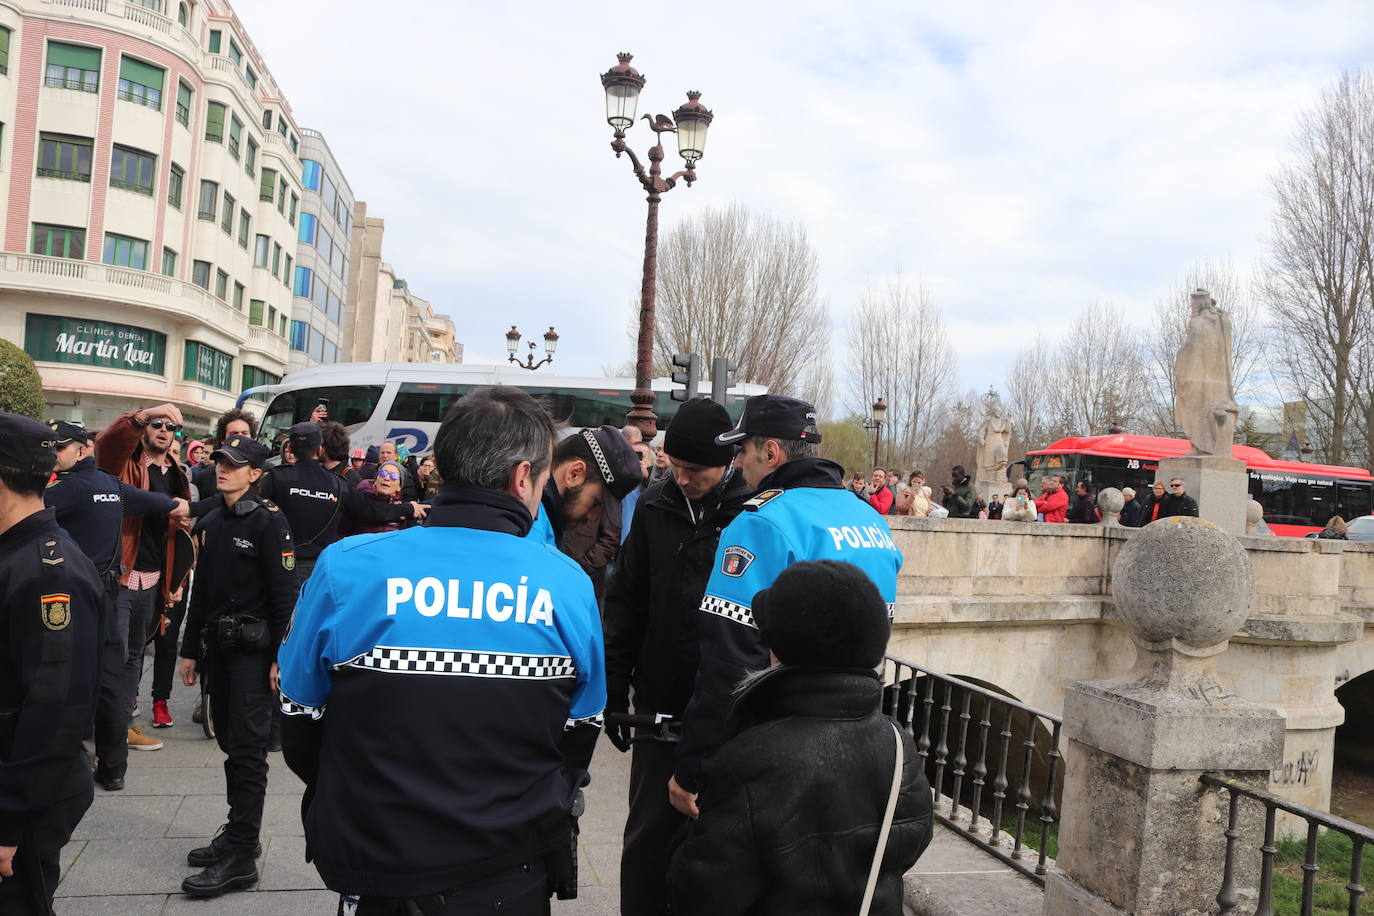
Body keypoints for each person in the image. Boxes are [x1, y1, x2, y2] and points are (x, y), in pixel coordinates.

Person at [278, 386, 606, 913]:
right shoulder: (566, 583)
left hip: (377, 859)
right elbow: (580, 731)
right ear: (524, 478)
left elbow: (298, 718)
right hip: (510, 864)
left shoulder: (347, 566)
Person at [670, 394, 903, 820]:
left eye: (742, 451)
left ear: (771, 452)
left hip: (777, 747)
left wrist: (695, 768)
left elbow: (729, 659)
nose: (738, 463)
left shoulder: (761, 521)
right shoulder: (869, 518)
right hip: (861, 738)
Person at [669, 561, 933, 914]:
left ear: (781, 649)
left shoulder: (750, 757)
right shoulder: (898, 744)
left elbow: (701, 891)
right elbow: (913, 837)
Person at [603, 398, 752, 913]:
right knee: (647, 838)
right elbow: (626, 599)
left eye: (697, 470)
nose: (684, 479)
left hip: (729, 705)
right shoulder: (653, 504)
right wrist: (614, 685)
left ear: (727, 464)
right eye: (677, 466)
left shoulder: (751, 514)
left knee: (716, 842)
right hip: (659, 699)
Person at [176, 434, 299, 897]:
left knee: (247, 752)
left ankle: (243, 855)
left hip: (253, 653)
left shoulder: (270, 522)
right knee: (230, 742)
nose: (222, 468)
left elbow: (286, 597)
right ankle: (237, 829)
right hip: (219, 650)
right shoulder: (214, 519)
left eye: (233, 464)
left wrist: (282, 658)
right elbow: (201, 590)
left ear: (255, 473)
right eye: (219, 461)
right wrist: (189, 649)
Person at [0, 414, 104, 916]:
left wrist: (8, 820)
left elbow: (55, 705)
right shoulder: (15, 552)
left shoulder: (47, 569)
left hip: (27, 789)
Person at [95, 403, 197, 757]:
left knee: (135, 656)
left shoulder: (177, 473)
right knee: (114, 655)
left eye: (173, 428)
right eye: (157, 424)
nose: (165, 430)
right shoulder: (124, 464)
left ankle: (122, 726)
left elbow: (179, 535)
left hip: (154, 580)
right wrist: (140, 416)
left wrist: (176, 579)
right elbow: (108, 445)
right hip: (121, 576)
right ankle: (105, 731)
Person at [257, 423, 426, 583]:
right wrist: (408, 508)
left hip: (278, 565)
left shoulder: (276, 477)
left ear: (290, 449)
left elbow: (257, 517)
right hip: (321, 569)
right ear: (320, 449)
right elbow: (372, 511)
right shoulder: (338, 484)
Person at [528, 426, 643, 550]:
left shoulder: (539, 519)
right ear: (574, 474)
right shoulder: (531, 526)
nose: (592, 517)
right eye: (595, 503)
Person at [340, 461, 412, 536]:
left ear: (399, 487)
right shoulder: (360, 498)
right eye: (383, 473)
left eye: (394, 476)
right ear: (376, 479)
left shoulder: (401, 508)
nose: (387, 478)